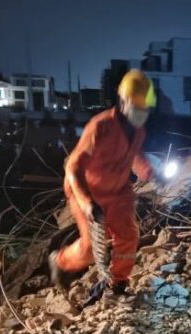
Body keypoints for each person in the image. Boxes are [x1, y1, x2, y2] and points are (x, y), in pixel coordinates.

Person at [48, 69, 157, 305]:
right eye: (137, 106)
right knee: (89, 250)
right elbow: (73, 167)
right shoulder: (100, 127)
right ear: (124, 101)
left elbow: (132, 154)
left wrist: (146, 170)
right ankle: (60, 261)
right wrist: (87, 203)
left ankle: (116, 285)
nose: (141, 113)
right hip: (88, 191)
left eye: (145, 108)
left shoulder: (139, 131)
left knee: (128, 236)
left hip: (119, 192)